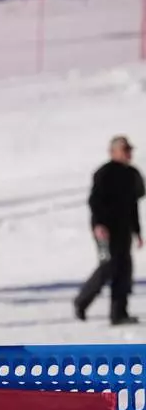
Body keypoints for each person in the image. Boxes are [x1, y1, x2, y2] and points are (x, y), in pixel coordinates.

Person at [75, 135, 144, 325]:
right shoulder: (104, 173)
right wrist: (98, 225)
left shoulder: (133, 174)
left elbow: (133, 206)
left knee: (124, 269)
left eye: (130, 150)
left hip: (124, 229)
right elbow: (94, 201)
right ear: (113, 152)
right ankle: (82, 301)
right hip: (105, 229)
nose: (129, 153)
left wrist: (138, 232)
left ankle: (119, 313)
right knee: (108, 265)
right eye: (125, 150)